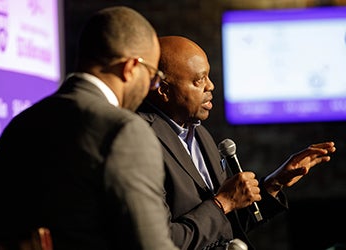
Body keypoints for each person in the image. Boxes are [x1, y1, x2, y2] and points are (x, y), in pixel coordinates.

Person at [0, 6, 179, 250]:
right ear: (130, 67)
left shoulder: (18, 126)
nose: (151, 87)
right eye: (153, 76)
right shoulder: (124, 130)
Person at [136, 35, 336, 250]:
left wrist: (274, 184)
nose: (210, 86)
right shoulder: (139, 139)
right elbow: (161, 241)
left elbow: (226, 227)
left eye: (208, 76)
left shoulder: (200, 134)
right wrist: (223, 203)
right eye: (199, 80)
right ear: (164, 91)